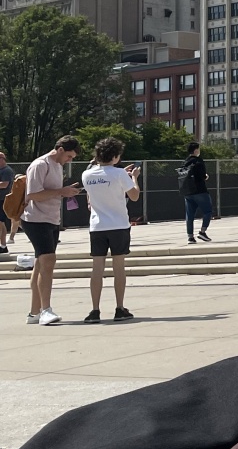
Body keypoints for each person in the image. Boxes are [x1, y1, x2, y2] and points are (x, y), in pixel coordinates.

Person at [23, 134, 80, 326]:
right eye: (69, 157)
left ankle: (34, 313)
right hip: (36, 219)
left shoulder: (57, 165)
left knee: (41, 264)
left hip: (50, 219)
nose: (69, 161)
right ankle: (45, 310)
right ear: (60, 149)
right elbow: (32, 194)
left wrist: (65, 191)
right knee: (48, 261)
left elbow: (50, 192)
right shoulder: (40, 164)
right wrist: (60, 192)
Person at [81, 137, 139, 322]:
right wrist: (134, 178)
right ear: (115, 156)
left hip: (97, 225)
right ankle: (119, 307)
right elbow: (134, 196)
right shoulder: (120, 174)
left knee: (97, 268)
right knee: (118, 267)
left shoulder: (86, 175)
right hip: (119, 224)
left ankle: (95, 309)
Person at [180, 142, 213, 244]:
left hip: (187, 192)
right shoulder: (198, 161)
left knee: (189, 215)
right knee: (208, 211)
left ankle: (190, 237)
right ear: (195, 150)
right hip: (200, 191)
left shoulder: (185, 162)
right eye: (198, 149)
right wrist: (206, 176)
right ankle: (202, 232)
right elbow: (202, 175)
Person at [0, 149, 13, 255]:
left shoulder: (6, 170)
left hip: (3, 199)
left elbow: (4, 184)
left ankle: (3, 245)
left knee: (1, 223)